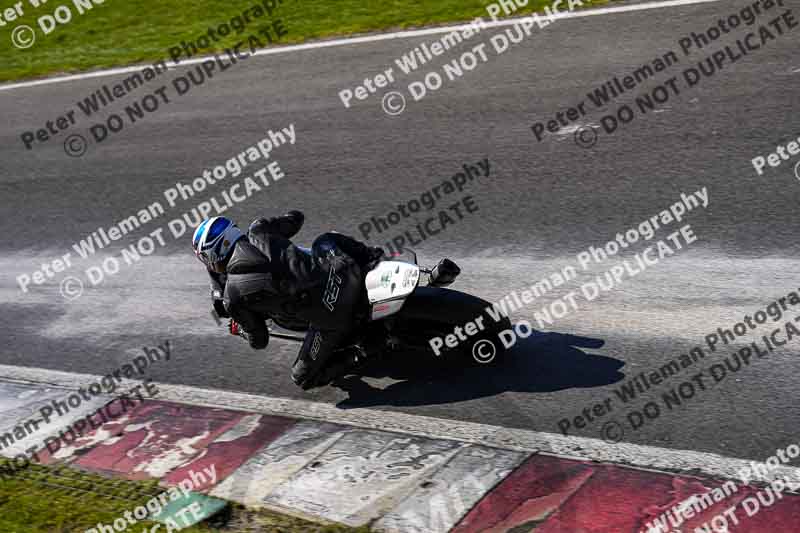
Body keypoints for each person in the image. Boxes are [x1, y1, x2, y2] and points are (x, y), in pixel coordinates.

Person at [191, 212, 384, 389]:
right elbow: (296, 218)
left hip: (332, 317)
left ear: (213, 256)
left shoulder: (232, 297)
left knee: (302, 377)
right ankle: (373, 257)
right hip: (345, 273)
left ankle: (362, 352)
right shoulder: (259, 229)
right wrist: (281, 223)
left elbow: (259, 340)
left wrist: (240, 328)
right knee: (324, 240)